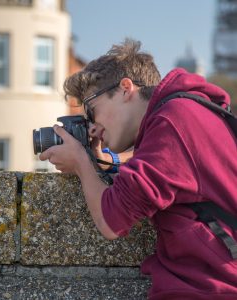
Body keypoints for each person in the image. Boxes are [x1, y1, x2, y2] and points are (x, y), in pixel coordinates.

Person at [39, 38, 237, 299]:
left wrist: (81, 163)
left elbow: (111, 221)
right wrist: (107, 163)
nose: (92, 127)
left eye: (91, 110)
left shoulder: (173, 121)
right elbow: (171, 175)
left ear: (125, 89)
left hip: (211, 289)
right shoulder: (183, 113)